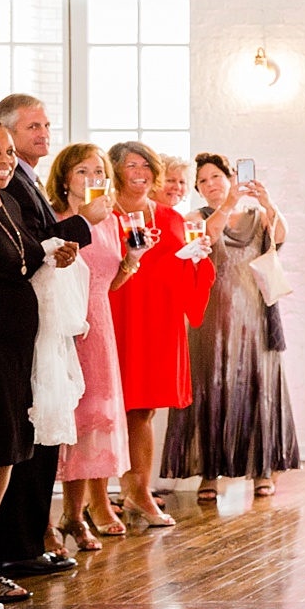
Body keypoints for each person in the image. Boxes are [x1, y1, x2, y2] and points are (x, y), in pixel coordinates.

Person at [0, 94, 103, 581]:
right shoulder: (5, 187)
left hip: (37, 324)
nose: (42, 133)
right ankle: (15, 545)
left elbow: (33, 244)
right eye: (31, 126)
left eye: (46, 124)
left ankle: (29, 539)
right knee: (20, 437)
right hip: (11, 333)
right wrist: (80, 225)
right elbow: (29, 248)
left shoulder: (18, 184)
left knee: (33, 435)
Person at [163, 152, 300, 500]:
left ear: (230, 177)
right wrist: (229, 203)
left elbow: (281, 235)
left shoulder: (256, 216)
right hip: (211, 316)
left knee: (258, 388)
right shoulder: (196, 216)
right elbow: (208, 235)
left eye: (216, 177)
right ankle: (209, 474)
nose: (211, 185)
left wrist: (266, 202)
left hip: (254, 315)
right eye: (203, 181)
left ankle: (262, 470)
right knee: (209, 389)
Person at [108, 141, 216, 528]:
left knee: (144, 409)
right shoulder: (104, 213)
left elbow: (180, 267)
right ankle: (96, 501)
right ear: (116, 170)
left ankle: (137, 493)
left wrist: (198, 258)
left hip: (158, 320)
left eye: (146, 165)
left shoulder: (169, 217)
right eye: (131, 165)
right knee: (105, 409)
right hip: (116, 314)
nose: (140, 171)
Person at [47, 143, 134, 549]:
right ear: (66, 179)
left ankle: (76, 514)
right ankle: (64, 515)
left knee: (96, 418)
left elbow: (108, 281)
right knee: (71, 417)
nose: (94, 178)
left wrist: (131, 261)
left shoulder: (110, 220)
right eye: (83, 171)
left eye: (99, 171)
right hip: (67, 321)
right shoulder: (58, 218)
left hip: (101, 321)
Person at [0, 121, 47, 602]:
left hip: (18, 345)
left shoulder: (7, 203)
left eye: (9, 153)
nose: (5, 161)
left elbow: (27, 255)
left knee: (11, 446)